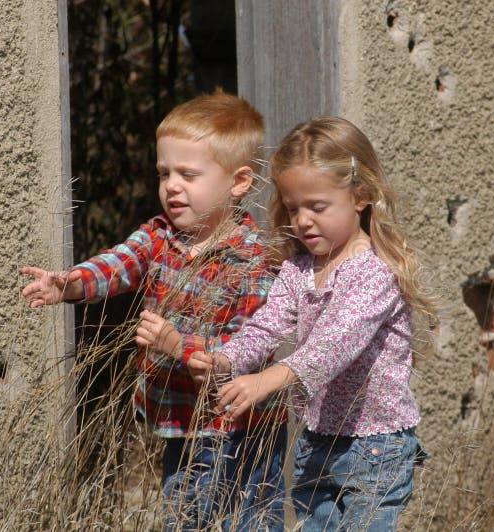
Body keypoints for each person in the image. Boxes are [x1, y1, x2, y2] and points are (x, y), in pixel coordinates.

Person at [21, 91, 287, 531]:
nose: (171, 186)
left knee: (248, 522)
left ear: (238, 182)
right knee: (185, 517)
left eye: (188, 174)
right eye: (164, 173)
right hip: (181, 422)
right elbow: (118, 264)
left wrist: (178, 346)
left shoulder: (252, 258)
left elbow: (250, 347)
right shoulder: (161, 235)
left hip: (243, 429)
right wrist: (69, 284)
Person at [188, 116, 434, 531]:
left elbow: (332, 346)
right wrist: (226, 361)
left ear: (360, 196)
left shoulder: (374, 272)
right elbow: (265, 327)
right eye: (292, 207)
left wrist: (265, 381)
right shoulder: (299, 270)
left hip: (375, 449)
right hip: (317, 442)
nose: (302, 220)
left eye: (317, 207)